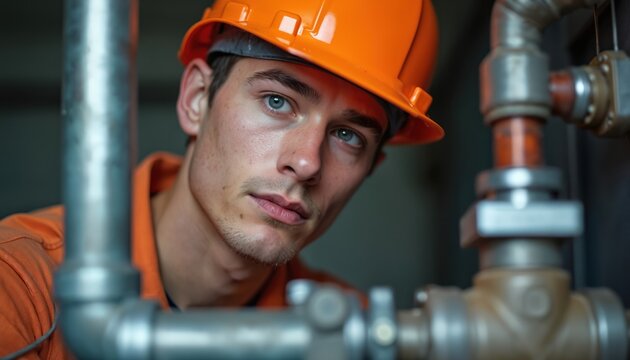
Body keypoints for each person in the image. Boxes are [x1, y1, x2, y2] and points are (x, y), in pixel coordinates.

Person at [0, 0, 442, 358]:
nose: (307, 163)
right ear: (196, 99)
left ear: (370, 170)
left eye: (347, 136)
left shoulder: (355, 335)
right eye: (277, 101)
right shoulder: (22, 286)